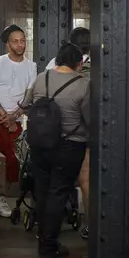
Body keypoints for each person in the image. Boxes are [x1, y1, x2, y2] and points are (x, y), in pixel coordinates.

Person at [21, 43, 90, 258]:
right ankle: (49, 246)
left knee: (42, 191)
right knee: (58, 192)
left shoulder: (42, 77)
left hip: (40, 144)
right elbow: (90, 118)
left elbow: (25, 104)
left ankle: (44, 240)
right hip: (69, 145)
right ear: (79, 63)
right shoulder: (84, 84)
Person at [0, 25, 37, 218]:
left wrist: (14, 117)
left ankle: (1, 197)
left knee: (12, 161)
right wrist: (5, 116)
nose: (20, 44)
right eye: (15, 41)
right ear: (7, 44)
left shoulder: (31, 66)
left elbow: (30, 97)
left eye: (23, 40)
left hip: (15, 121)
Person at [44, 27, 91, 239]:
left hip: (51, 136)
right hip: (82, 134)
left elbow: (31, 102)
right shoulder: (96, 67)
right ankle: (91, 223)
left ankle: (48, 232)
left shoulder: (49, 69)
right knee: (85, 179)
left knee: (56, 184)